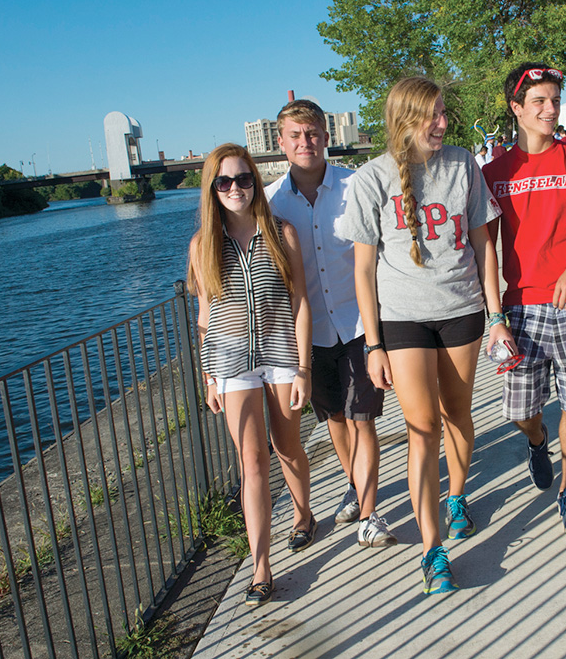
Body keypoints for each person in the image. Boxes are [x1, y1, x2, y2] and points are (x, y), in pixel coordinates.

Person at [339, 76, 511, 595]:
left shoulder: (462, 164)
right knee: (423, 428)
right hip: (403, 319)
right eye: (430, 116)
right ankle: (431, 548)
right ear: (403, 120)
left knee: (458, 411)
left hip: (461, 311)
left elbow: (483, 246)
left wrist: (497, 314)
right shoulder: (371, 179)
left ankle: (456, 497)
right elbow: (363, 272)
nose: (441, 124)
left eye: (442, 114)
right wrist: (372, 345)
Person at [483, 62, 566, 536]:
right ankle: (537, 442)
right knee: (522, 411)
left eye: (555, 100)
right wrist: (494, 315)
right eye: (538, 101)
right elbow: (485, 251)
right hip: (521, 309)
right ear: (516, 108)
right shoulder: (494, 173)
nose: (550, 109)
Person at [265, 99, 396, 550]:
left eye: (313, 133)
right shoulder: (269, 203)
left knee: (363, 419)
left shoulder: (356, 185)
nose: (306, 143)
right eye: (295, 136)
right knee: (336, 419)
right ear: (280, 143)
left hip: (359, 324)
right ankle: (356, 486)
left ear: (326, 136)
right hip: (309, 333)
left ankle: (370, 513)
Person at [189, 143, 314, 606]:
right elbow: (204, 315)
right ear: (212, 189)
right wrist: (208, 376)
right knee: (252, 462)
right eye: (224, 182)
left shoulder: (281, 232)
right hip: (229, 362)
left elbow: (300, 300)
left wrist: (303, 367)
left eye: (243, 179)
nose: (235, 188)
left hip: (281, 354)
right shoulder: (203, 245)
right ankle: (261, 567)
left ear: (255, 184)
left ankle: (304, 515)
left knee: (286, 446)